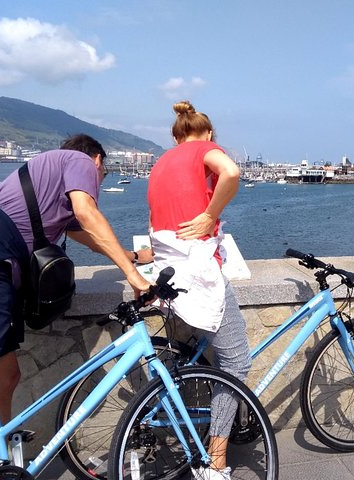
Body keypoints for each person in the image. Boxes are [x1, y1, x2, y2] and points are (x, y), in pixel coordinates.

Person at [0, 134, 153, 480]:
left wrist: (130, 257)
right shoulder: (80, 161)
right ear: (97, 160)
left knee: (6, 378)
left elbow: (82, 232)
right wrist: (133, 276)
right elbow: (87, 213)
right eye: (103, 174)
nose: (98, 181)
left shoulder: (51, 175)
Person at [146, 101, 251, 480]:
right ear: (207, 134)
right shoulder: (206, 148)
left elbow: (161, 225)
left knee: (198, 354)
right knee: (236, 363)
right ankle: (216, 462)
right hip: (199, 272)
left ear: (175, 136)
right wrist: (210, 215)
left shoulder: (159, 164)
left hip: (168, 270)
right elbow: (232, 173)